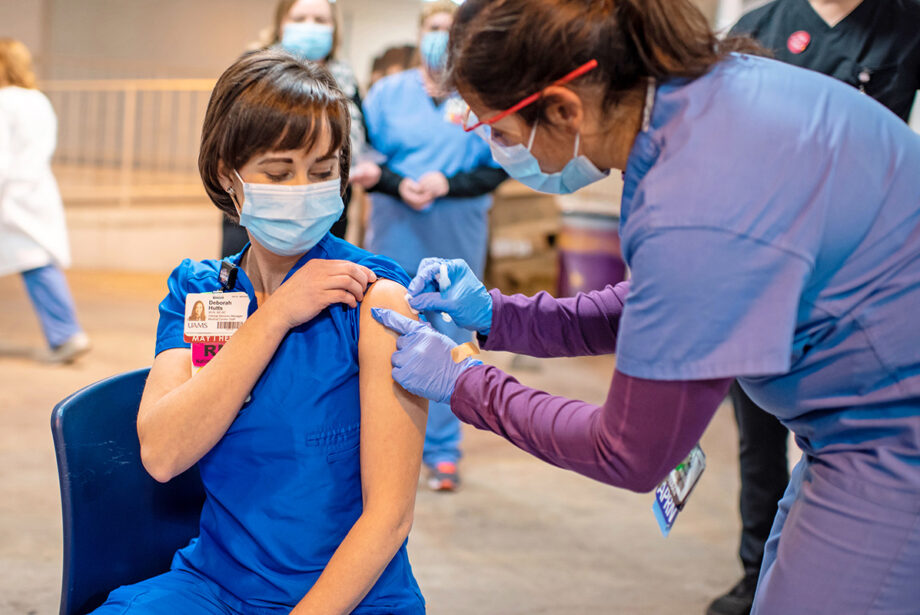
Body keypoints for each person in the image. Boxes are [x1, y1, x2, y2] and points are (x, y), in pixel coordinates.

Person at [371, 0, 920, 612]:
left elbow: (629, 451)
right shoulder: (700, 104)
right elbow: (666, 301)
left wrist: (467, 381)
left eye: (497, 131)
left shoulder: (698, 191)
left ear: (563, 107)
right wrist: (500, 317)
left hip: (894, 437)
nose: (499, 150)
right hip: (857, 423)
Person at [91, 50, 427, 615]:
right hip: (215, 586)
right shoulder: (205, 293)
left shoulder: (375, 301)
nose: (303, 188)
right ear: (228, 175)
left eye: (323, 172)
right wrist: (273, 316)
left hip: (350, 597)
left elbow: (389, 518)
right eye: (278, 172)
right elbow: (164, 453)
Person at [708, 1, 920, 613]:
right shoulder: (764, 23)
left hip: (861, 273)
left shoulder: (902, 23)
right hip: (768, 255)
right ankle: (753, 571)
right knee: (761, 438)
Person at [354, 0, 507, 492]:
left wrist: (446, 183)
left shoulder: (482, 95)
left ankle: (443, 450)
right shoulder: (386, 94)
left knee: (454, 339)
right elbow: (366, 159)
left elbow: (497, 167)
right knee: (387, 330)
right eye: (435, 28)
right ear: (420, 34)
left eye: (451, 30)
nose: (442, 37)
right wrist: (401, 183)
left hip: (458, 234)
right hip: (396, 229)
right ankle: (379, 444)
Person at [221, 0, 369, 256]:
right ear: (281, 23)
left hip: (325, 211)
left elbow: (361, 139)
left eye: (320, 20)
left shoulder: (346, 78)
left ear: (334, 29)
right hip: (260, 208)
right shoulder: (254, 69)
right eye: (299, 18)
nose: (309, 27)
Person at [0, 38, 91, 364]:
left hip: (10, 196)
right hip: (35, 191)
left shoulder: (4, 102)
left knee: (35, 263)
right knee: (39, 263)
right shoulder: (38, 100)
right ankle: (66, 333)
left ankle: (67, 335)